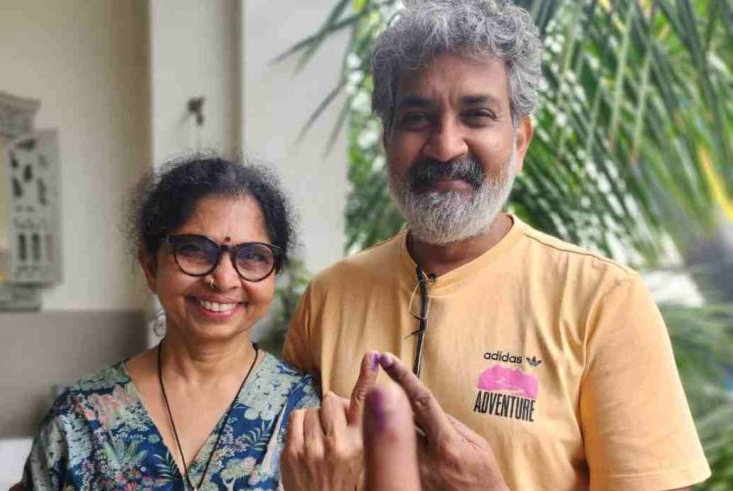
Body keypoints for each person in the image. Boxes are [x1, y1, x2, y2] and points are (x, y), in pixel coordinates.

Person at [281, 0, 711, 489]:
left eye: (477, 115)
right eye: (417, 118)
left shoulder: (602, 301)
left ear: (520, 142)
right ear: (387, 141)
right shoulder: (330, 296)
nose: (445, 146)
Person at [20, 156, 320, 490]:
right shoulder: (79, 419)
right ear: (151, 267)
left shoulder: (306, 417)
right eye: (195, 249)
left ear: (274, 273)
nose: (223, 279)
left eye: (252, 256)